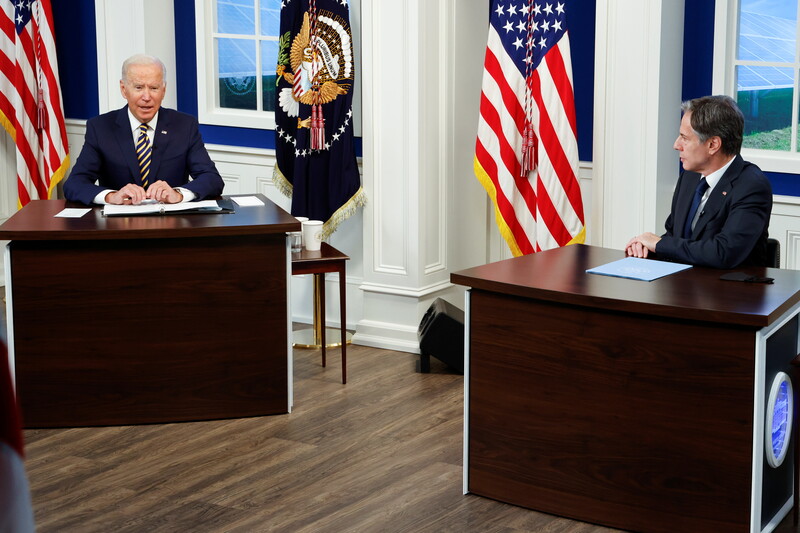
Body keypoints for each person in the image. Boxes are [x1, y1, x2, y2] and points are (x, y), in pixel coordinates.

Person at [625, 95, 772, 268]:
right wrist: (646, 246)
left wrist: (658, 244)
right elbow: (674, 237)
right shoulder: (689, 177)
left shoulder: (751, 186)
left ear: (713, 145)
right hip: (683, 286)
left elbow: (723, 253)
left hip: (731, 291)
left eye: (684, 138)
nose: (676, 145)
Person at [64, 54, 223, 205]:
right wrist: (111, 196)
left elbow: (211, 179)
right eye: (138, 87)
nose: (147, 97)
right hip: (119, 226)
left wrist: (178, 194)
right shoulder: (100, 127)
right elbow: (75, 184)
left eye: (154, 88)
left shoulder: (184, 125)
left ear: (164, 90)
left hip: (171, 224)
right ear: (123, 88)